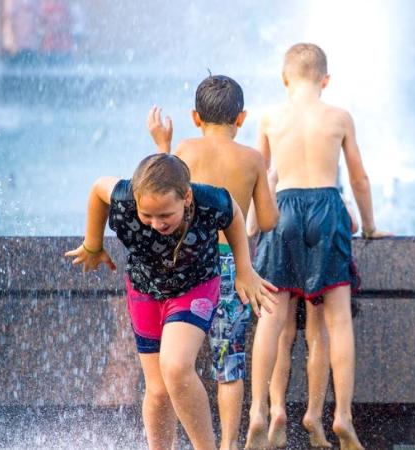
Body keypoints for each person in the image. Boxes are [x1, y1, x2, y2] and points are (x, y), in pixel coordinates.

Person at [65, 153, 277, 450]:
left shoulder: (208, 201)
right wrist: (93, 243)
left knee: (175, 366)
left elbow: (234, 213)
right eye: (147, 215)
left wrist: (244, 269)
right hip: (145, 289)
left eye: (165, 215)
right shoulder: (126, 196)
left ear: (186, 197)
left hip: (195, 286)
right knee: (158, 390)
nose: (155, 223)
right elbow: (99, 188)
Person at [245, 43, 390, 450]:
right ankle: (342, 416)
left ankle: (258, 409)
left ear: (284, 79)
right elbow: (359, 179)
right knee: (337, 323)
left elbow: (260, 176)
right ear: (325, 81)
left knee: (271, 320)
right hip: (327, 206)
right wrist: (371, 225)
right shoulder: (339, 116)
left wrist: (254, 225)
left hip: (283, 207)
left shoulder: (271, 117)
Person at [146, 74, 280, 450]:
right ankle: (228, 446)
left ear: (195, 116)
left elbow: (160, 189)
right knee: (229, 365)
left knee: (176, 365)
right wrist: (270, 181)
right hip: (233, 272)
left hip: (186, 270)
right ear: (242, 118)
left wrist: (162, 144)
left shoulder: (186, 150)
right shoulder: (252, 159)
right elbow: (267, 222)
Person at [265, 190, 359, 449]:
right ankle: (314, 416)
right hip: (320, 242)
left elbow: (256, 223)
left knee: (282, 333)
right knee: (319, 333)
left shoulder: (279, 187)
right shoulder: (330, 192)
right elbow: (353, 224)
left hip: (284, 231)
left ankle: (276, 411)